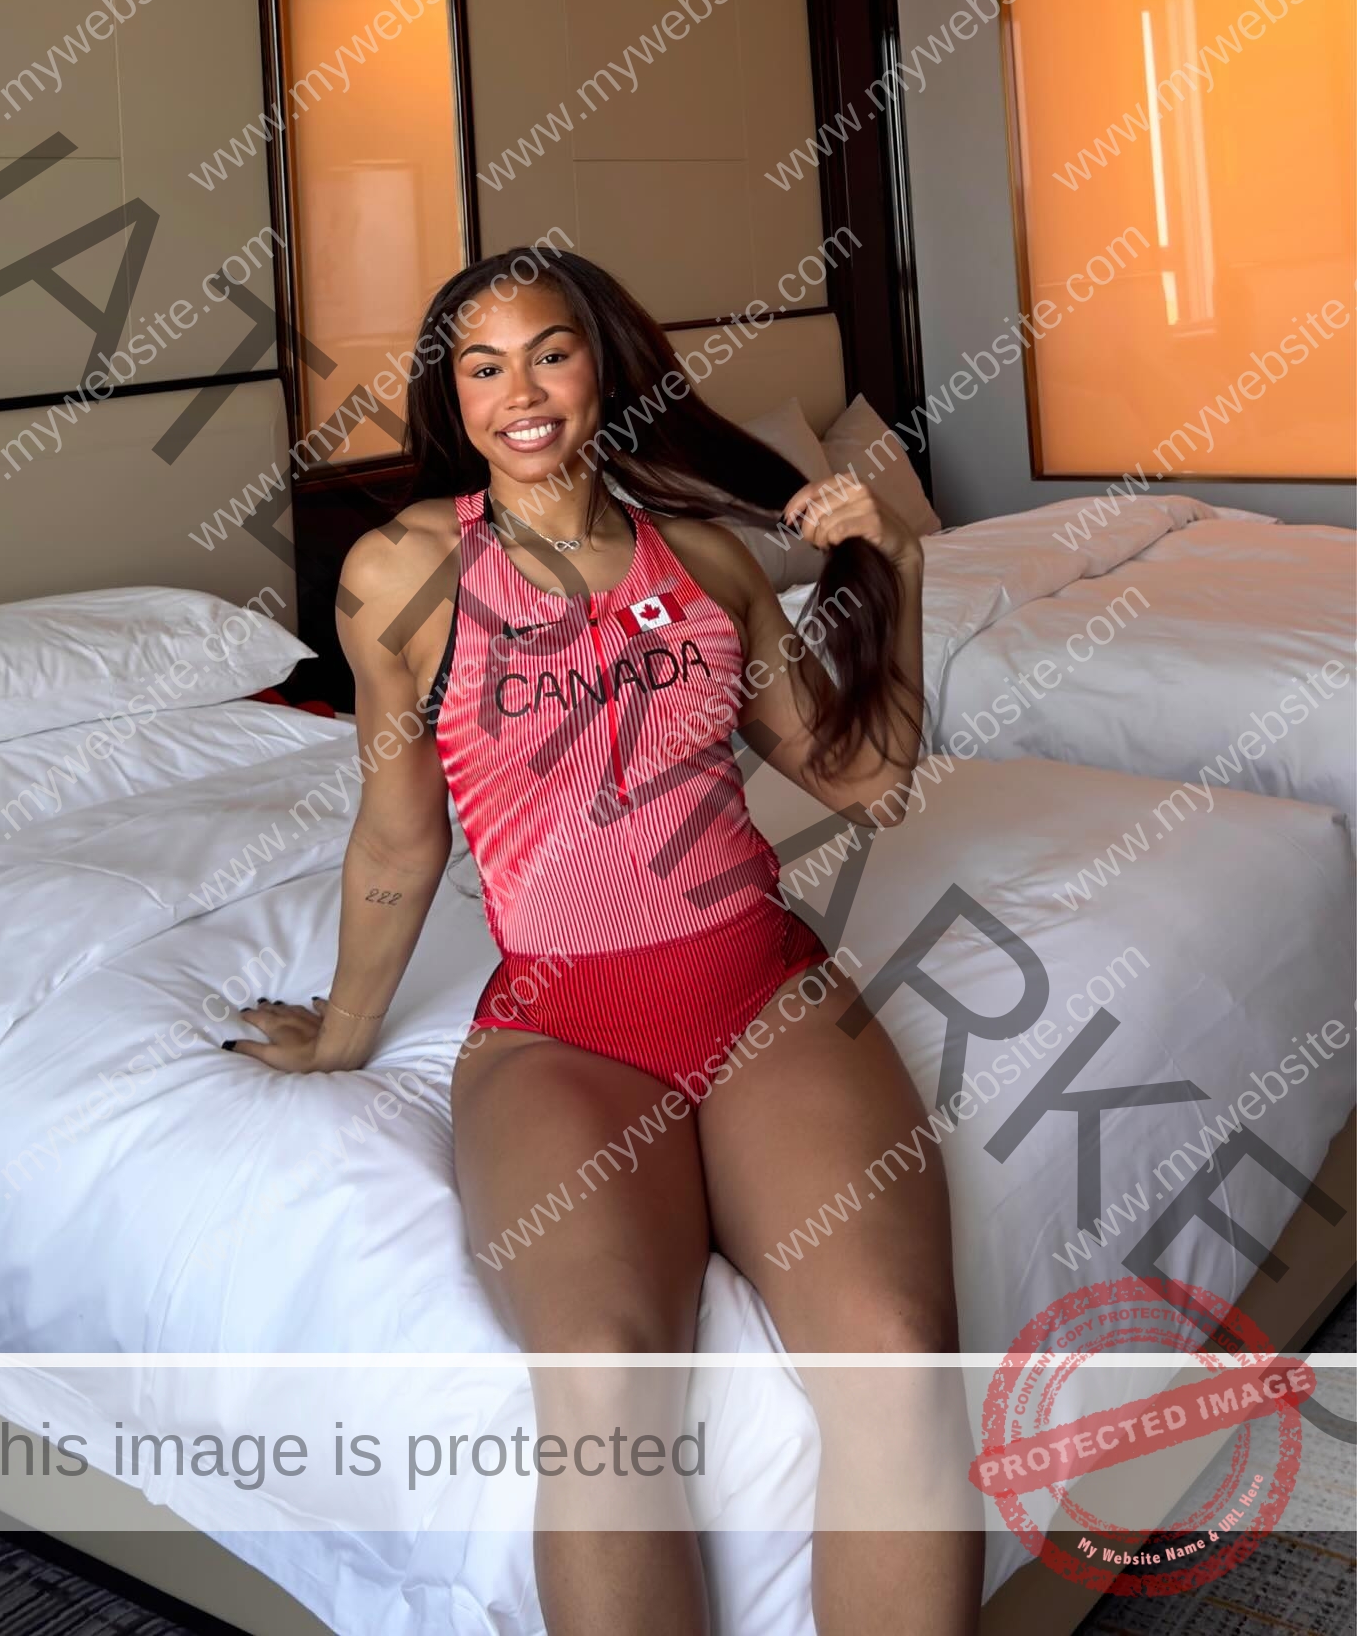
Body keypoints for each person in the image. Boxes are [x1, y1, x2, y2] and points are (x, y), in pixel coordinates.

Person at [227, 247, 982, 1633]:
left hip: (761, 990)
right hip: (564, 1028)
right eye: (483, 365)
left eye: (551, 352)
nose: (523, 392)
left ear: (603, 366)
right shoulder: (405, 569)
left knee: (892, 1352)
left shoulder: (703, 559)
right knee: (603, 1371)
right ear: (452, 398)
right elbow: (403, 834)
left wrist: (903, 572)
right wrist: (341, 1035)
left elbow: (865, 782)